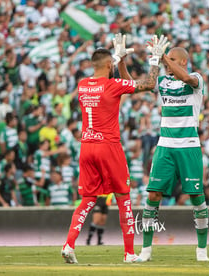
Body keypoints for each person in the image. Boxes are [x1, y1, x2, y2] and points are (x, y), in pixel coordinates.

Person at [61, 34, 167, 264]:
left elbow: (108, 84)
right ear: (108, 65)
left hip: (87, 147)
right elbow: (148, 85)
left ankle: (69, 245)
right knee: (123, 197)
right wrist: (155, 60)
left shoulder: (81, 86)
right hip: (108, 147)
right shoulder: (112, 85)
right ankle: (129, 253)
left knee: (88, 199)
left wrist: (118, 61)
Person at [139, 46, 209, 262]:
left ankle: (202, 250)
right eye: (165, 60)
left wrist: (164, 59)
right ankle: (146, 250)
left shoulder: (196, 78)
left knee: (196, 197)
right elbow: (141, 84)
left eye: (170, 60)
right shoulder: (162, 81)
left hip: (189, 146)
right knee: (152, 196)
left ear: (181, 61)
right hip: (165, 146)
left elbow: (186, 77)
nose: (166, 63)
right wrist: (123, 61)